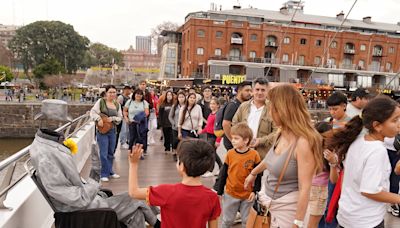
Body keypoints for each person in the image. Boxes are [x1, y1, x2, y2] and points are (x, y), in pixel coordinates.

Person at [30, 99, 159, 228]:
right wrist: (95, 175)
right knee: (137, 198)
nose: (60, 127)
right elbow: (76, 199)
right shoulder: (45, 157)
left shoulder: (46, 147)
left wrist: (94, 176)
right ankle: (161, 224)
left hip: (88, 203)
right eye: (58, 122)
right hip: (81, 210)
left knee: (137, 209)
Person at [244, 84, 323, 228]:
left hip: (287, 211)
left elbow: (305, 187)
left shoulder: (303, 142)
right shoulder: (281, 133)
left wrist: (297, 223)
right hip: (268, 202)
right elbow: (270, 159)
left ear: (283, 110)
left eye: (272, 108)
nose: (269, 113)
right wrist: (253, 173)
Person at [325, 96, 400, 228]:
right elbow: (370, 191)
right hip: (366, 220)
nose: (399, 124)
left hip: (347, 216)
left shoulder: (357, 141)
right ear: (377, 126)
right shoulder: (377, 150)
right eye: (395, 120)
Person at [128, 140, 221, 228]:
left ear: (182, 166)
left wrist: (133, 164)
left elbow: (134, 192)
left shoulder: (166, 192)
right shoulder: (212, 197)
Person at [217, 122, 262, 228]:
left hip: (247, 195)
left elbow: (259, 174)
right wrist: (219, 191)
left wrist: (255, 191)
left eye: (236, 138)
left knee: (247, 222)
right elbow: (223, 173)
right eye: (232, 138)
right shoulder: (230, 154)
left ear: (246, 140)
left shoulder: (254, 155)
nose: (232, 140)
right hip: (230, 193)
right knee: (227, 221)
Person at [232, 77, 274, 159]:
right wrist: (240, 139)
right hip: (242, 151)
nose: (259, 92)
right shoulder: (243, 106)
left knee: (256, 172)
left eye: (263, 90)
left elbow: (277, 131)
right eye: (257, 89)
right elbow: (234, 124)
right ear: (253, 90)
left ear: (267, 91)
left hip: (260, 154)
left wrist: (260, 141)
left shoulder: (272, 109)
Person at [90, 85, 122, 182]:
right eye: (110, 92)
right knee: (103, 153)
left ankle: (110, 171)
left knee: (110, 153)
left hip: (113, 130)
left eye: (114, 92)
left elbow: (120, 118)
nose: (112, 94)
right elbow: (93, 112)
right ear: (106, 93)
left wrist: (112, 118)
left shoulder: (117, 105)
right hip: (102, 131)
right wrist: (98, 118)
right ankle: (104, 173)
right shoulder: (101, 102)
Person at [222, 82, 252, 151]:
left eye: (251, 91)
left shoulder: (243, 105)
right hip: (233, 145)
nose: (249, 93)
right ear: (239, 91)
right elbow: (226, 124)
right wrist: (233, 140)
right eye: (247, 90)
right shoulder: (233, 105)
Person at [200, 97, 223, 177]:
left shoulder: (218, 115)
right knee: (213, 153)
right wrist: (202, 131)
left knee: (210, 153)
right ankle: (221, 167)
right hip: (209, 135)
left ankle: (210, 170)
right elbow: (208, 126)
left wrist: (218, 140)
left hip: (214, 136)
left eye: (213, 104)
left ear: (218, 105)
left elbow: (220, 128)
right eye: (211, 104)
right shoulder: (211, 114)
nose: (211, 105)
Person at [124, 89, 150, 155]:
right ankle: (131, 150)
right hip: (132, 122)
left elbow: (147, 112)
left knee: (141, 137)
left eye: (140, 94)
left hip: (141, 123)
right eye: (137, 94)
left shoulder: (144, 102)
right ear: (134, 94)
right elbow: (125, 111)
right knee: (132, 137)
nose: (138, 95)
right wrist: (126, 118)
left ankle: (141, 150)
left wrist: (139, 118)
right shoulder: (129, 102)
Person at [169, 91, 186, 161]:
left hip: (184, 127)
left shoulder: (186, 106)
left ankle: (181, 154)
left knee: (182, 141)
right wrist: (173, 123)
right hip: (175, 127)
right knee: (175, 141)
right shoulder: (174, 106)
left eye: (182, 97)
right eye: (180, 97)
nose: (181, 99)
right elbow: (170, 116)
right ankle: (174, 152)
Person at [116, 85, 132, 150]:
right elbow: (118, 106)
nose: (130, 91)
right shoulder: (121, 97)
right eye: (129, 90)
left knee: (127, 130)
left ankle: (126, 141)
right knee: (124, 130)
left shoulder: (128, 97)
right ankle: (122, 142)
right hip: (123, 116)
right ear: (126, 90)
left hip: (128, 116)